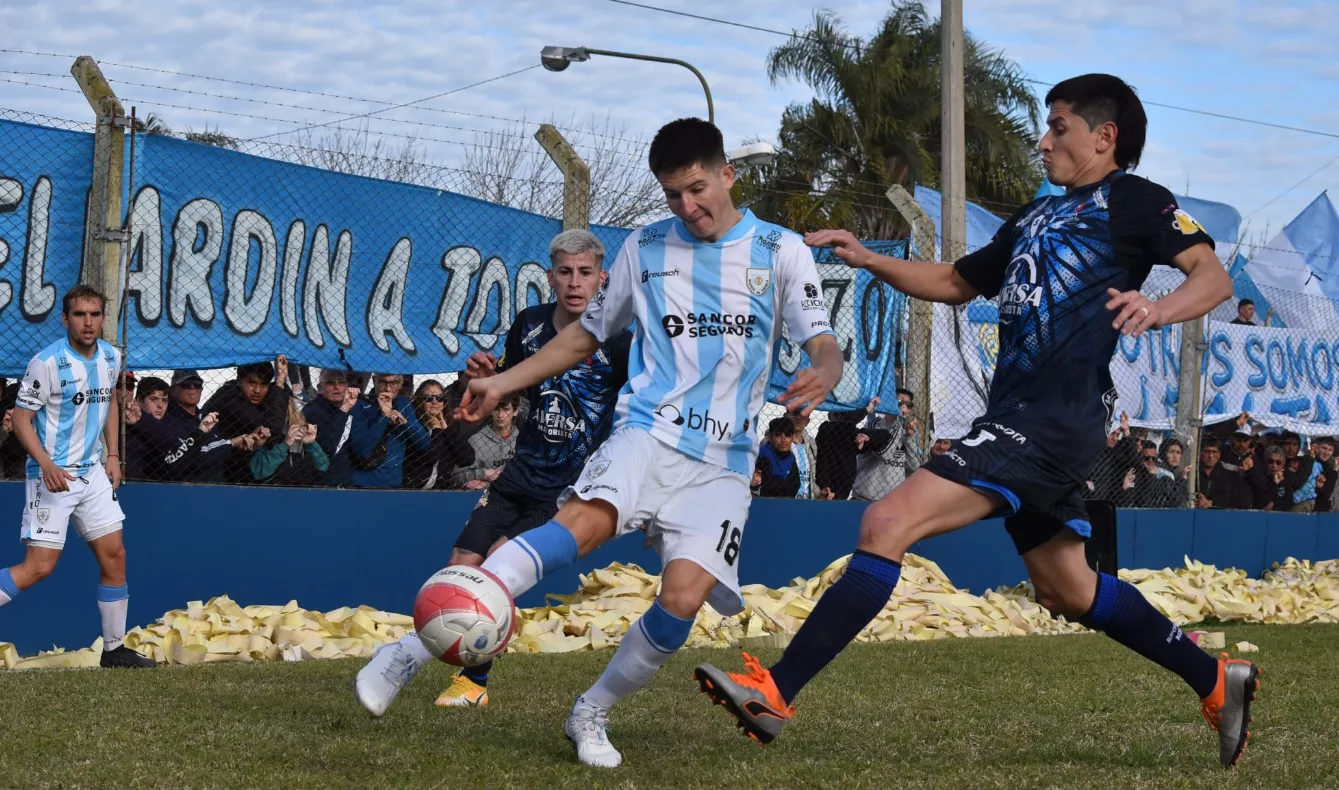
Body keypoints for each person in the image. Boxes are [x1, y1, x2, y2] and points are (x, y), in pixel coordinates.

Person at [693, 74, 1256, 770]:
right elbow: (958, 282)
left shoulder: (1134, 200)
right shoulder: (1033, 216)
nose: (1041, 139)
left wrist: (1158, 308)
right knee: (1066, 590)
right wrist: (871, 260)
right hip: (1024, 421)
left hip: (1046, 424)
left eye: (1057, 126)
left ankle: (774, 693)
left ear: (1104, 137)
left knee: (885, 523)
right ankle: (1215, 681)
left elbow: (1211, 276)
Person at [369, 119, 842, 768]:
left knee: (680, 603)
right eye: (672, 194)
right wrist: (504, 379)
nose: (687, 207)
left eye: (697, 189)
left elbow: (818, 335)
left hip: (725, 464)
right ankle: (404, 652)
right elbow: (584, 336)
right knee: (580, 528)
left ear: (727, 174)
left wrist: (828, 365)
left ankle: (590, 711)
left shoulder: (779, 249)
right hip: (648, 432)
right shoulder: (643, 248)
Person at [355, 228, 631, 711]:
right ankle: (459, 672)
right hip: (517, 475)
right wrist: (486, 381)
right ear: (550, 276)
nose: (574, 282)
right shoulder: (528, 324)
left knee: (495, 575)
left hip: (563, 491)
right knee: (459, 569)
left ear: (602, 277)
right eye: (565, 271)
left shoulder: (620, 341)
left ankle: (470, 682)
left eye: (585, 272)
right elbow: (510, 387)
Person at [0, 285, 155, 668]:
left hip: (94, 474)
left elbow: (110, 405)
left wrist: (113, 455)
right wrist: (47, 464)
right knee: (39, 567)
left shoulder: (110, 356)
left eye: (95, 314)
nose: (88, 322)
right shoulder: (46, 363)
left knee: (115, 556)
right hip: (51, 476)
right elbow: (21, 419)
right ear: (66, 318)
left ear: (104, 318)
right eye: (80, 315)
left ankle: (114, 651)